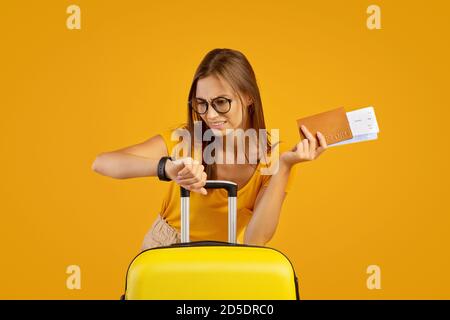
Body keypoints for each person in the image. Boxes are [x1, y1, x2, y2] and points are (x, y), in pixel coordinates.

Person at [91, 48, 327, 251]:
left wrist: (285, 166)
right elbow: (102, 162)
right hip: (166, 246)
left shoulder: (274, 156)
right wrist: (167, 167)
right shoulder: (185, 140)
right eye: (201, 104)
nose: (210, 115)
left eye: (221, 102)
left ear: (248, 97)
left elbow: (255, 240)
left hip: (221, 254)